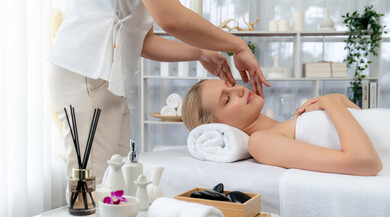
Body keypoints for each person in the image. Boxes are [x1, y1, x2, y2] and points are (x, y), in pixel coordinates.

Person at [48, 0, 270, 183]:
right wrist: (237, 45)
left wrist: (200, 52)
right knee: (93, 189)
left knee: (117, 183)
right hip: (87, 72)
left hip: (107, 78)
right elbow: (171, 18)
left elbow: (143, 42)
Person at [181, 79, 389, 176]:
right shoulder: (260, 142)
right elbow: (366, 162)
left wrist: (338, 100)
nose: (240, 90)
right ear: (219, 126)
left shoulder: (289, 124)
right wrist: (331, 101)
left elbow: (365, 123)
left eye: (232, 85)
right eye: (227, 99)